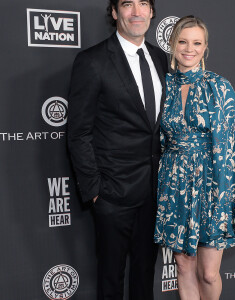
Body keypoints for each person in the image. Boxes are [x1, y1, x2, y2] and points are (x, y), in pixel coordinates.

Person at [67, 0, 168, 299]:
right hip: (112, 194)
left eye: (143, 4)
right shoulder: (93, 61)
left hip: (155, 190)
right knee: (110, 279)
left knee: (145, 276)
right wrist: (95, 189)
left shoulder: (161, 58)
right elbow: (78, 132)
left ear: (151, 11)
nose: (136, 12)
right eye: (127, 4)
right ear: (114, 12)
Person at [154, 15, 235, 300]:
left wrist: (227, 197)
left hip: (212, 184)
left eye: (197, 43)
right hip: (174, 182)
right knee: (183, 266)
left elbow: (232, 148)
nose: (189, 49)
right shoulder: (163, 86)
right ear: (172, 44)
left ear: (205, 47)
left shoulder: (219, 87)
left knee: (208, 273)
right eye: (183, 42)